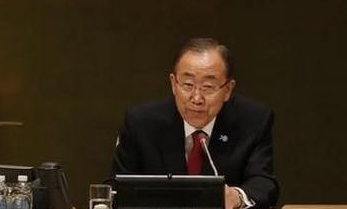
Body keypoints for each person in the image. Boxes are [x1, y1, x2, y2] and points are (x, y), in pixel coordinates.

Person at [111, 38, 279, 209]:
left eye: (208, 87)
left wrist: (237, 197)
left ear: (227, 90)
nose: (197, 98)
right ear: (173, 84)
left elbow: (264, 183)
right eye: (188, 85)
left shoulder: (253, 120)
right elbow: (116, 187)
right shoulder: (141, 122)